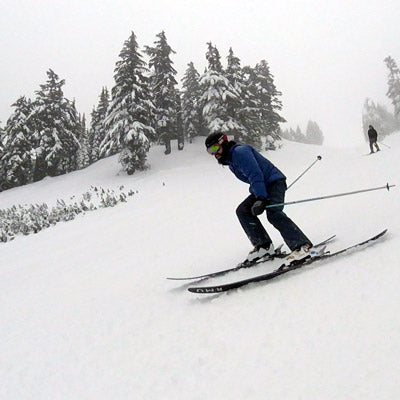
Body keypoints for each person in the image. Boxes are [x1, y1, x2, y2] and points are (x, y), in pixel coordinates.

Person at [205, 132, 313, 264]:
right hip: (263, 186)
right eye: (209, 151)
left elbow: (255, 174)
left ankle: (302, 246)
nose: (213, 154)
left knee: (273, 213)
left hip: (274, 183)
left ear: (223, 142)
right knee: (243, 211)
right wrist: (258, 195)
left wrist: (261, 198)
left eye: (215, 148)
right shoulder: (231, 161)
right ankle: (264, 246)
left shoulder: (240, 152)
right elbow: (253, 178)